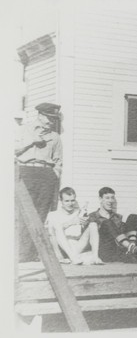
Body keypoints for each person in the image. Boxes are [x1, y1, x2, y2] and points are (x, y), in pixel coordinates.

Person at [15, 103, 63, 261]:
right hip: (26, 171)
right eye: (49, 118)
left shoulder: (55, 137)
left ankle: (32, 253)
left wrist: (53, 176)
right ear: (40, 115)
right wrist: (31, 142)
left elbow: (58, 161)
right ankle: (20, 253)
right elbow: (10, 150)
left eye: (53, 119)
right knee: (22, 212)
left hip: (46, 174)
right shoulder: (23, 130)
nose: (51, 121)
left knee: (41, 213)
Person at [86, 187, 137, 263]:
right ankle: (134, 250)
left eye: (112, 198)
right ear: (100, 199)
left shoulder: (118, 217)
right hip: (104, 251)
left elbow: (124, 233)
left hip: (118, 250)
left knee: (133, 217)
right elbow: (88, 238)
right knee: (107, 222)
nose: (110, 201)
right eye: (107, 198)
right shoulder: (92, 216)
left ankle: (133, 250)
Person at [46, 187, 102, 265]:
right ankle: (73, 258)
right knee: (57, 226)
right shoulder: (53, 215)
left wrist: (85, 223)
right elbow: (50, 234)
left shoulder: (79, 212)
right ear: (61, 201)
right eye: (67, 201)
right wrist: (71, 222)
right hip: (62, 248)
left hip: (77, 246)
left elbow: (86, 231)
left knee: (93, 224)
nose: (70, 203)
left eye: (72, 200)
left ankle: (95, 257)